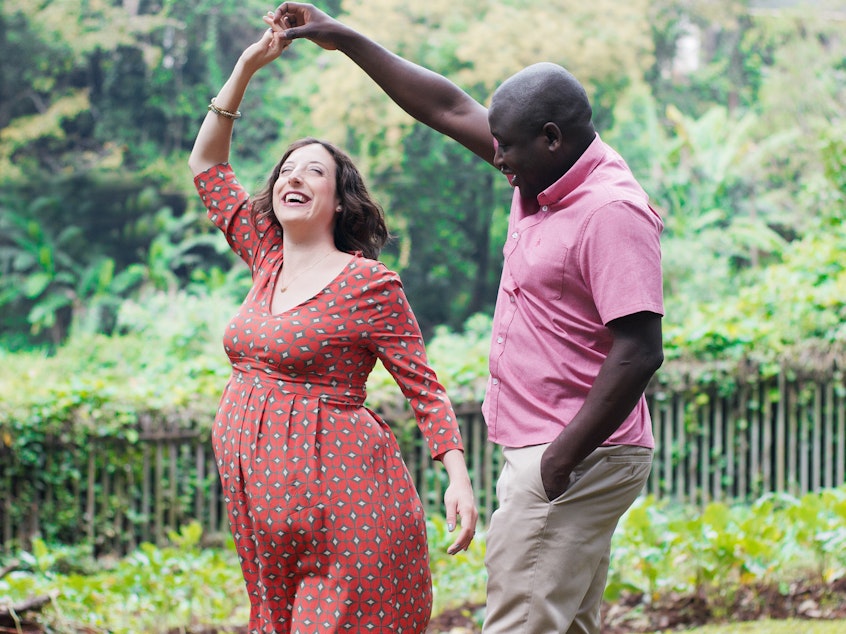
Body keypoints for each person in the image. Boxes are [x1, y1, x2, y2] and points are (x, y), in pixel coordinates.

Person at [268, 4, 666, 633]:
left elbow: (641, 350)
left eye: (506, 149)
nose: (498, 161)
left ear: (551, 137)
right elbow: (447, 108)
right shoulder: (541, 170)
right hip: (555, 449)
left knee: (518, 621)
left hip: (573, 452)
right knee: (565, 623)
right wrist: (343, 38)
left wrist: (556, 464)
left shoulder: (610, 212)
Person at [188, 24, 478, 634]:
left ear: (340, 200)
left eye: (313, 172)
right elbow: (208, 163)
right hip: (262, 505)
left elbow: (422, 387)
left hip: (346, 499)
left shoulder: (370, 285)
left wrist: (457, 476)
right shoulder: (265, 255)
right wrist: (246, 65)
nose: (294, 177)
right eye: (287, 170)